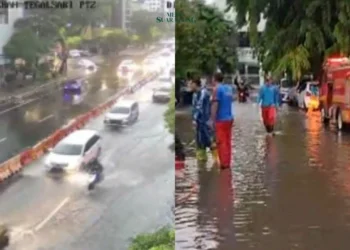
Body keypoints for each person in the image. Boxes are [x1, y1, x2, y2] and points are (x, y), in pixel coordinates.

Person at [190, 77, 218, 162]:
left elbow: (200, 107)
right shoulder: (195, 94)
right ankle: (202, 165)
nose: (190, 86)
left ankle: (217, 162)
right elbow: (194, 108)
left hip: (206, 122)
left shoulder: (204, 93)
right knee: (200, 143)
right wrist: (194, 119)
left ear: (195, 84)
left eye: (191, 84)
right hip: (199, 123)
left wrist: (195, 119)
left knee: (210, 142)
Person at [211, 72, 234, 169]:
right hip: (229, 118)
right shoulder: (228, 88)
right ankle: (228, 163)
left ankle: (224, 165)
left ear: (214, 79)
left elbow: (215, 105)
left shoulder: (217, 89)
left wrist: (212, 119)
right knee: (228, 141)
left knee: (221, 142)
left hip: (220, 120)